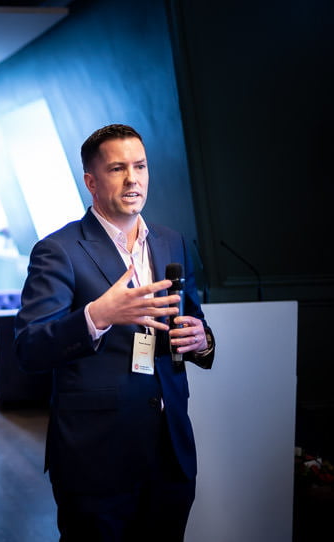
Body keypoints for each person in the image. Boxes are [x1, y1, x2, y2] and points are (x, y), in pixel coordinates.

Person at [14, 124, 215, 541]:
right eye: (118, 168)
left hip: (170, 452)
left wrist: (202, 339)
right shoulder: (59, 250)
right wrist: (96, 315)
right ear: (91, 181)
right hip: (96, 458)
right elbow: (29, 348)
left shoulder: (172, 242)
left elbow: (192, 319)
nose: (133, 179)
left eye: (140, 166)